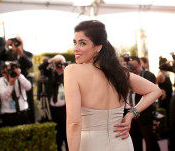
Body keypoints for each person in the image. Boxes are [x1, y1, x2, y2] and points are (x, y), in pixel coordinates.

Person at [64, 20, 161, 151]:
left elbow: (74, 123)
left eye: (82, 43)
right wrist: (131, 114)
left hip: (91, 145)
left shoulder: (72, 71)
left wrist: (130, 114)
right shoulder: (119, 73)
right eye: (75, 42)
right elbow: (155, 91)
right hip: (122, 142)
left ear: (98, 46)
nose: (76, 48)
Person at [129, 56, 161, 151]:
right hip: (128, 112)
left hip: (144, 113)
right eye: (131, 66)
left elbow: (152, 92)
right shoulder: (126, 76)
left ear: (140, 65)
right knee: (134, 140)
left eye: (134, 67)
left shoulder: (148, 75)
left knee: (149, 139)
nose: (133, 69)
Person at [38, 54, 68, 151]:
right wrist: (52, 60)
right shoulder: (50, 74)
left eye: (61, 64)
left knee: (67, 134)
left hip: (65, 110)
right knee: (57, 135)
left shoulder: (68, 74)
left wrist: (63, 64)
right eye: (57, 65)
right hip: (53, 110)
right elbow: (40, 67)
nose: (59, 67)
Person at [0, 61, 32, 127]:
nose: (10, 74)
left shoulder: (20, 77)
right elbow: (4, 97)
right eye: (8, 72)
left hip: (23, 111)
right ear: (2, 73)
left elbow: (28, 87)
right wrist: (11, 84)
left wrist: (19, 75)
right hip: (8, 114)